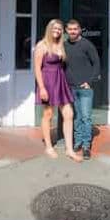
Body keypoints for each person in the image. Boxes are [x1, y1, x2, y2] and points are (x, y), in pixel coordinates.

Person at [34, 19, 83, 162]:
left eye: (60, 29)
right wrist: (42, 88)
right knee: (48, 114)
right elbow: (37, 68)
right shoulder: (42, 45)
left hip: (60, 81)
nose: (57, 31)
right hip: (47, 82)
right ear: (49, 29)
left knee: (69, 113)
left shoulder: (61, 45)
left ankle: (69, 149)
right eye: (55, 28)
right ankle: (49, 147)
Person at [64, 19, 101, 160]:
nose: (72, 31)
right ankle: (78, 141)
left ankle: (86, 146)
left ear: (79, 30)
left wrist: (90, 81)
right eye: (70, 29)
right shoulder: (65, 45)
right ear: (67, 31)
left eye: (75, 29)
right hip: (71, 87)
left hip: (85, 88)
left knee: (86, 117)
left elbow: (96, 63)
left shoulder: (87, 44)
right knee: (77, 117)